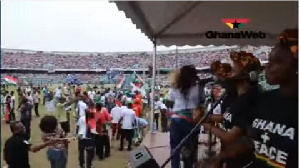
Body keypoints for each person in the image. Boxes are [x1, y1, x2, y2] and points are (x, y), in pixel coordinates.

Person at [221, 29, 298, 168]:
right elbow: (256, 140)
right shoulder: (264, 99)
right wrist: (223, 156)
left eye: (277, 61)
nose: (268, 67)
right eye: (269, 60)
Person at [202, 51, 262, 167]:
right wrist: (207, 116)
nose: (230, 72)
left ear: (248, 74)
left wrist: (205, 123)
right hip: (230, 157)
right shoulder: (235, 96)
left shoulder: (248, 100)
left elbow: (231, 137)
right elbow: (228, 117)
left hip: (243, 161)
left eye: (235, 68)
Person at [166, 65, 204, 168]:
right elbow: (201, 101)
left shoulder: (174, 86)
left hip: (176, 119)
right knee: (189, 149)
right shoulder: (198, 86)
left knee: (175, 149)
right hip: (191, 119)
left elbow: (169, 102)